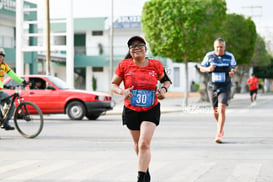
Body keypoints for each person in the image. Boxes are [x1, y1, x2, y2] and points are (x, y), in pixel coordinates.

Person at [111, 36, 171, 182]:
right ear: (130, 51)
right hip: (131, 109)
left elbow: (166, 81)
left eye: (140, 45)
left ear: (145, 48)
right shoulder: (124, 65)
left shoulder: (156, 65)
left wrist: (163, 90)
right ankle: (145, 169)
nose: (136, 47)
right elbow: (113, 85)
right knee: (138, 144)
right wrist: (122, 92)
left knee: (144, 143)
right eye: (132, 46)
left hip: (151, 108)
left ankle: (140, 177)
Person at [200, 38, 237, 143]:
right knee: (215, 111)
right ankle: (220, 124)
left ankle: (219, 133)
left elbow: (234, 67)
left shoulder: (229, 56)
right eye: (217, 47)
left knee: (221, 109)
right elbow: (202, 68)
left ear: (224, 47)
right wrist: (208, 69)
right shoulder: (209, 56)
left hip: (225, 86)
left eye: (221, 47)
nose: (219, 49)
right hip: (212, 87)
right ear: (214, 47)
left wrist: (232, 72)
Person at [0, 50, 26, 130]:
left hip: (0, 92)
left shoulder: (4, 66)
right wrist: (5, 85)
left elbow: (12, 74)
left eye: (2, 57)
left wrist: (22, 81)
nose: (0, 58)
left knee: (11, 104)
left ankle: (6, 123)